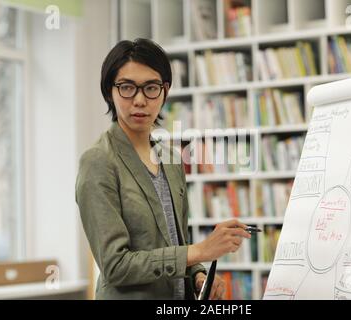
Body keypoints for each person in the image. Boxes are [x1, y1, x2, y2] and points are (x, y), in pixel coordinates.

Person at [75, 38, 251, 300]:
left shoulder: (170, 158)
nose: (139, 99)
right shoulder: (98, 161)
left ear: (164, 91)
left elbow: (176, 241)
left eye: (151, 88)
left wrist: (198, 275)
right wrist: (201, 251)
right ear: (109, 91)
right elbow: (115, 266)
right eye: (126, 87)